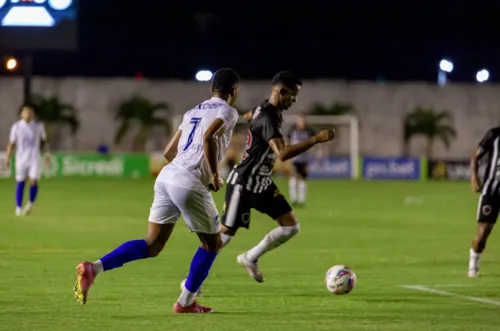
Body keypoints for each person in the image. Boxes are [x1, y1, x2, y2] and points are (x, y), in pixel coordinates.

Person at [73, 68, 241, 313]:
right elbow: (207, 137)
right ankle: (185, 302)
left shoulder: (192, 112)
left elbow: (167, 152)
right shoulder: (228, 111)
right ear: (234, 92)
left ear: (211, 88)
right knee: (212, 244)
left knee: (152, 244)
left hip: (167, 176)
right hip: (188, 181)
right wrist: (214, 174)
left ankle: (94, 268)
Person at [219, 71, 335, 282]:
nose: (295, 100)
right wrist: (316, 139)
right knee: (224, 235)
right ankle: (191, 282)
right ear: (281, 91)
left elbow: (247, 116)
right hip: (244, 183)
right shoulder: (267, 116)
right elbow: (282, 153)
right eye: (293, 95)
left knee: (291, 227)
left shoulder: (262, 111)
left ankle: (250, 257)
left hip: (262, 183)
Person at [4, 105, 50, 216]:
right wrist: (7, 157)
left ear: (33, 114)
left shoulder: (38, 126)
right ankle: (18, 207)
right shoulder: (16, 127)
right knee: (20, 181)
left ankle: (30, 204)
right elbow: (12, 143)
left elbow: (44, 141)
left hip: (34, 157)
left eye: (30, 113)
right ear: (22, 114)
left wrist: (47, 155)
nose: (28, 115)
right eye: (26, 113)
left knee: (33, 180)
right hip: (21, 158)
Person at [468, 126, 500, 278]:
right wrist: (474, 177)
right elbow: (476, 156)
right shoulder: (494, 134)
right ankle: (474, 260)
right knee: (483, 232)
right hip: (492, 190)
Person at [286, 114, 315, 206]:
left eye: (303, 121)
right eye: (300, 120)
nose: (301, 122)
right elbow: (287, 140)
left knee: (303, 178)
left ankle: (302, 200)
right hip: (294, 158)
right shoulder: (292, 130)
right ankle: (294, 199)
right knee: (293, 177)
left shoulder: (309, 131)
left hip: (304, 159)